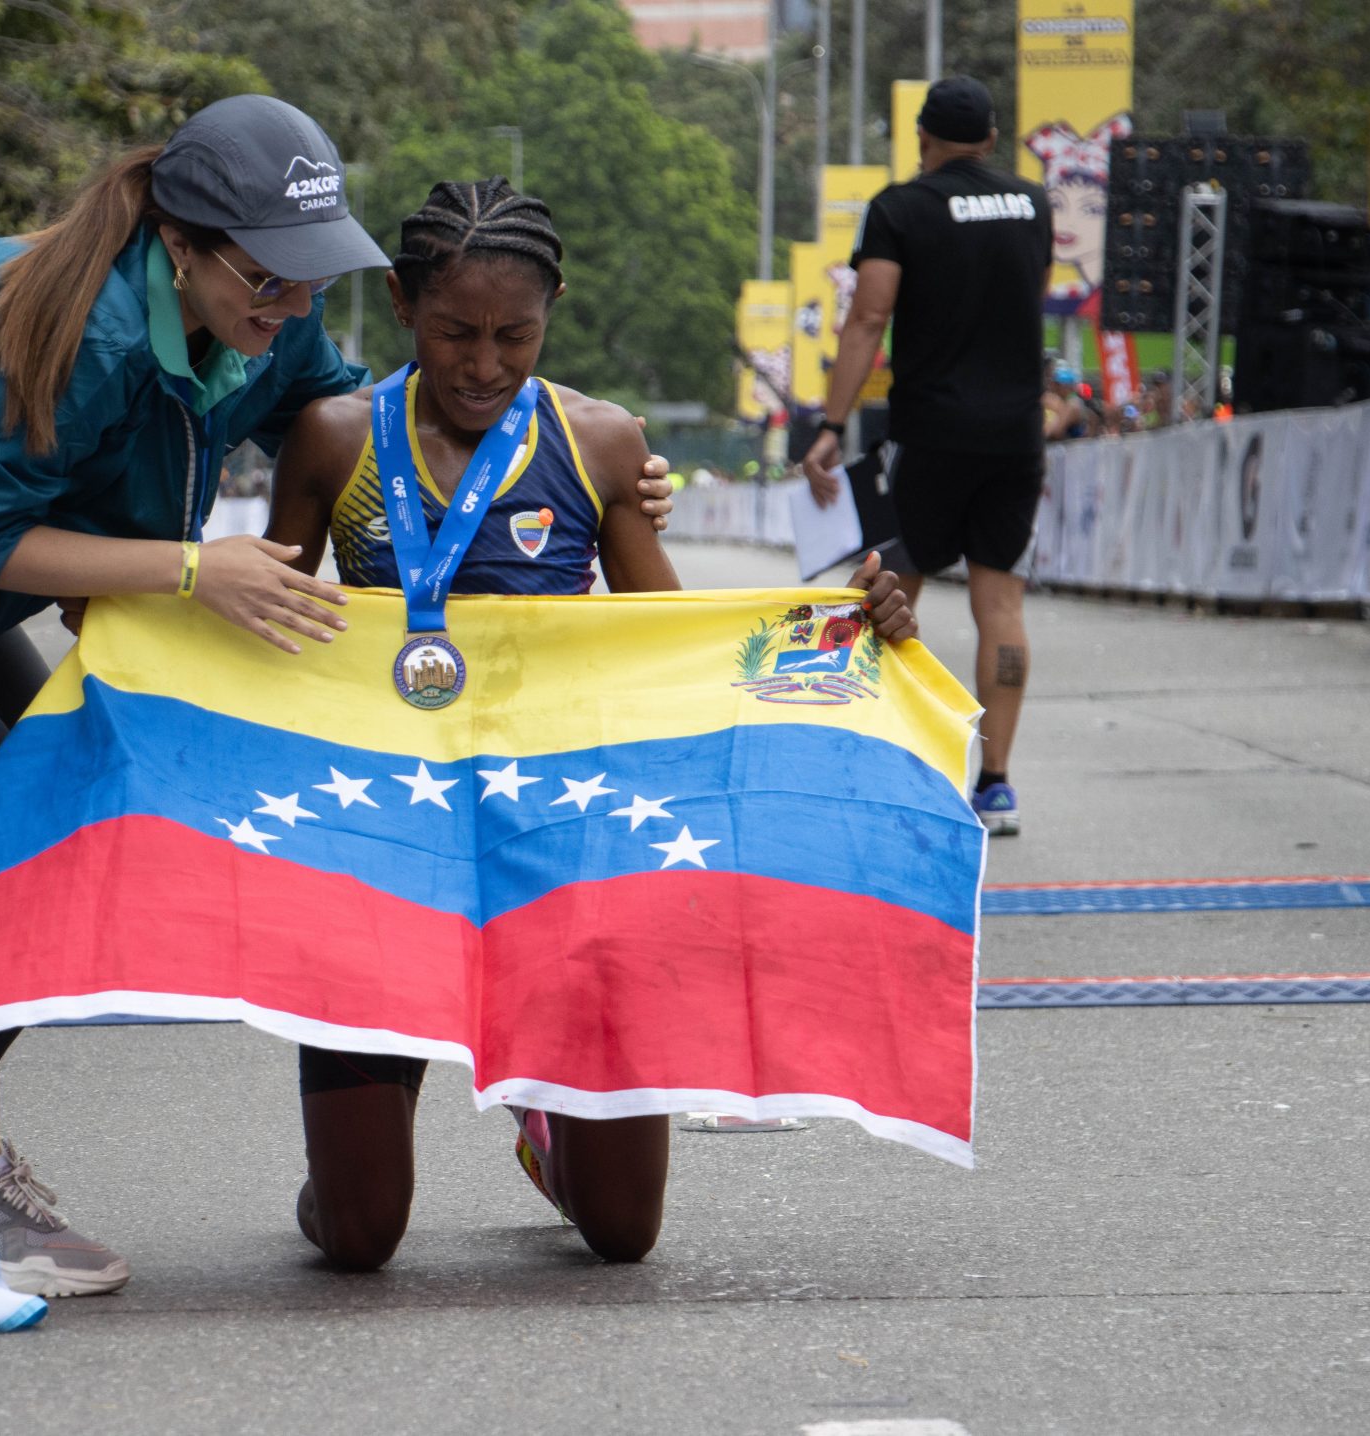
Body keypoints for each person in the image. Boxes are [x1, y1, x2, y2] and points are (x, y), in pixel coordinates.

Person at [0, 95, 673, 1298]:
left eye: (311, 283)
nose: (287, 311)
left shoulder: (265, 321)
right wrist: (185, 569)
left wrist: (592, 463)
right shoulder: (74, 323)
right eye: (263, 284)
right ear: (179, 244)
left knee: (64, 812)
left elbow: (398, 420)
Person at [264, 178, 916, 1270]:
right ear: (399, 308)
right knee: (362, 1235)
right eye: (450, 332)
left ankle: (543, 1117)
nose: (481, 365)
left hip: (564, 852)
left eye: (513, 334)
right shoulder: (334, 440)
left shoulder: (602, 443)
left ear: (554, 309)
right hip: (386, 847)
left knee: (622, 1234)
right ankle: (330, 1182)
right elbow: (264, 631)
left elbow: (680, 645)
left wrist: (850, 623)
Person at [803, 75, 1049, 838]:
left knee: (889, 589)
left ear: (921, 138)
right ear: (994, 136)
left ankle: (892, 766)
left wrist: (830, 422)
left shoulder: (900, 208)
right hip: (1016, 435)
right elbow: (1030, 295)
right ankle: (997, 784)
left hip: (930, 433)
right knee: (1000, 605)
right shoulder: (1034, 205)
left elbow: (869, 316)